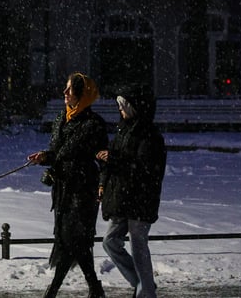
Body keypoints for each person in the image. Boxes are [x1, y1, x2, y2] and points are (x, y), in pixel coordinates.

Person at [28, 72, 109, 298]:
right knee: (74, 241)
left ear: (82, 95)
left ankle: (52, 291)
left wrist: (102, 186)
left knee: (72, 240)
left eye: (70, 90)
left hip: (84, 189)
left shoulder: (94, 124)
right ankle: (94, 288)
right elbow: (58, 153)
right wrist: (45, 157)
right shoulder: (61, 118)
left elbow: (103, 158)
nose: (64, 93)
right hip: (62, 189)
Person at [96, 88, 167, 298]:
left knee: (138, 245)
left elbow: (146, 168)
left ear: (134, 107)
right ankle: (142, 284)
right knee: (109, 241)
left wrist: (114, 159)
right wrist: (103, 183)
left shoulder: (150, 135)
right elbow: (115, 160)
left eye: (122, 104)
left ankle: (145, 292)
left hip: (140, 198)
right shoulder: (123, 130)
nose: (119, 108)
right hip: (122, 197)